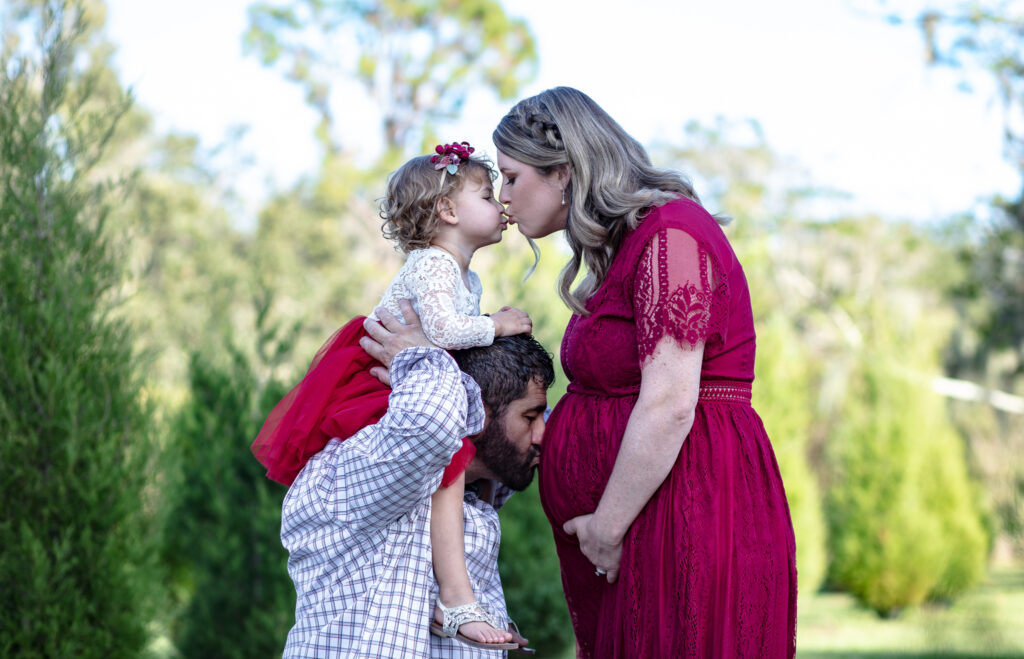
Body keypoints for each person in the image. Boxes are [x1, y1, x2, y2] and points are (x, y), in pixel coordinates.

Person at [491, 87, 797, 657]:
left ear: (563, 171)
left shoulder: (671, 234)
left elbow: (671, 402)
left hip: (685, 511)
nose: (502, 196)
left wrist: (607, 526)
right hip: (645, 522)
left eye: (511, 177)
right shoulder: (631, 246)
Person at [252, 142, 533, 648]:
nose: (501, 206)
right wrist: (496, 324)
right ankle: (454, 596)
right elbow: (443, 332)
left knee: (448, 471)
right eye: (488, 196)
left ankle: (446, 593)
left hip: (422, 383)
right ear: (447, 210)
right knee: (447, 464)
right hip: (388, 384)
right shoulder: (433, 265)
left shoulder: (464, 273)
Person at [280, 302, 553, 657]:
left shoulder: (475, 486)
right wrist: (421, 357)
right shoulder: (364, 468)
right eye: (531, 416)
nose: (542, 434)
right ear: (474, 409)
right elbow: (432, 423)